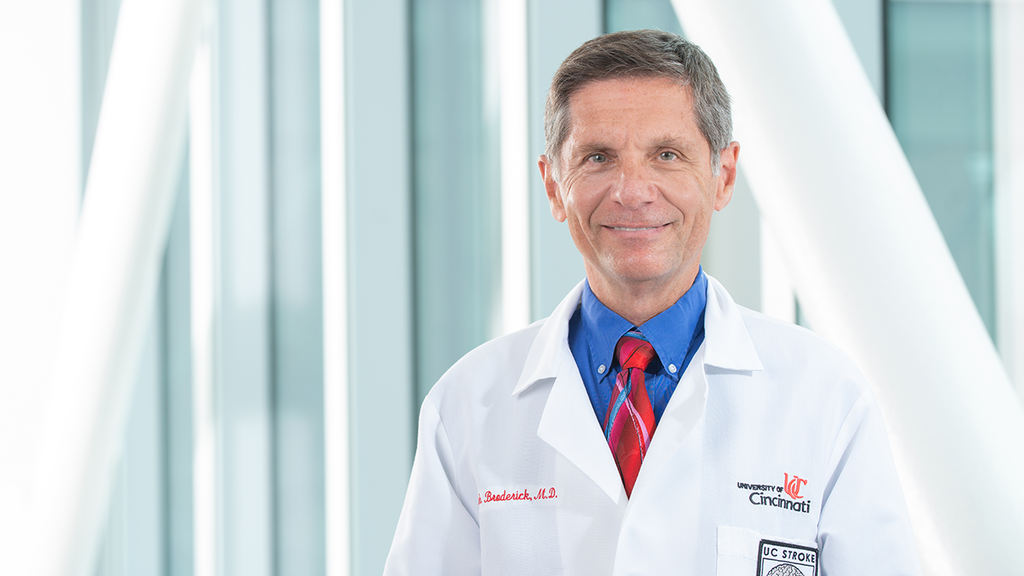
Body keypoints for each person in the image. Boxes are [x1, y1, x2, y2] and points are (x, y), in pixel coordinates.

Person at [383, 30, 921, 576]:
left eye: (667, 155)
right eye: (598, 157)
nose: (633, 191)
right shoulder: (466, 406)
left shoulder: (826, 397)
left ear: (723, 176)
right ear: (553, 186)